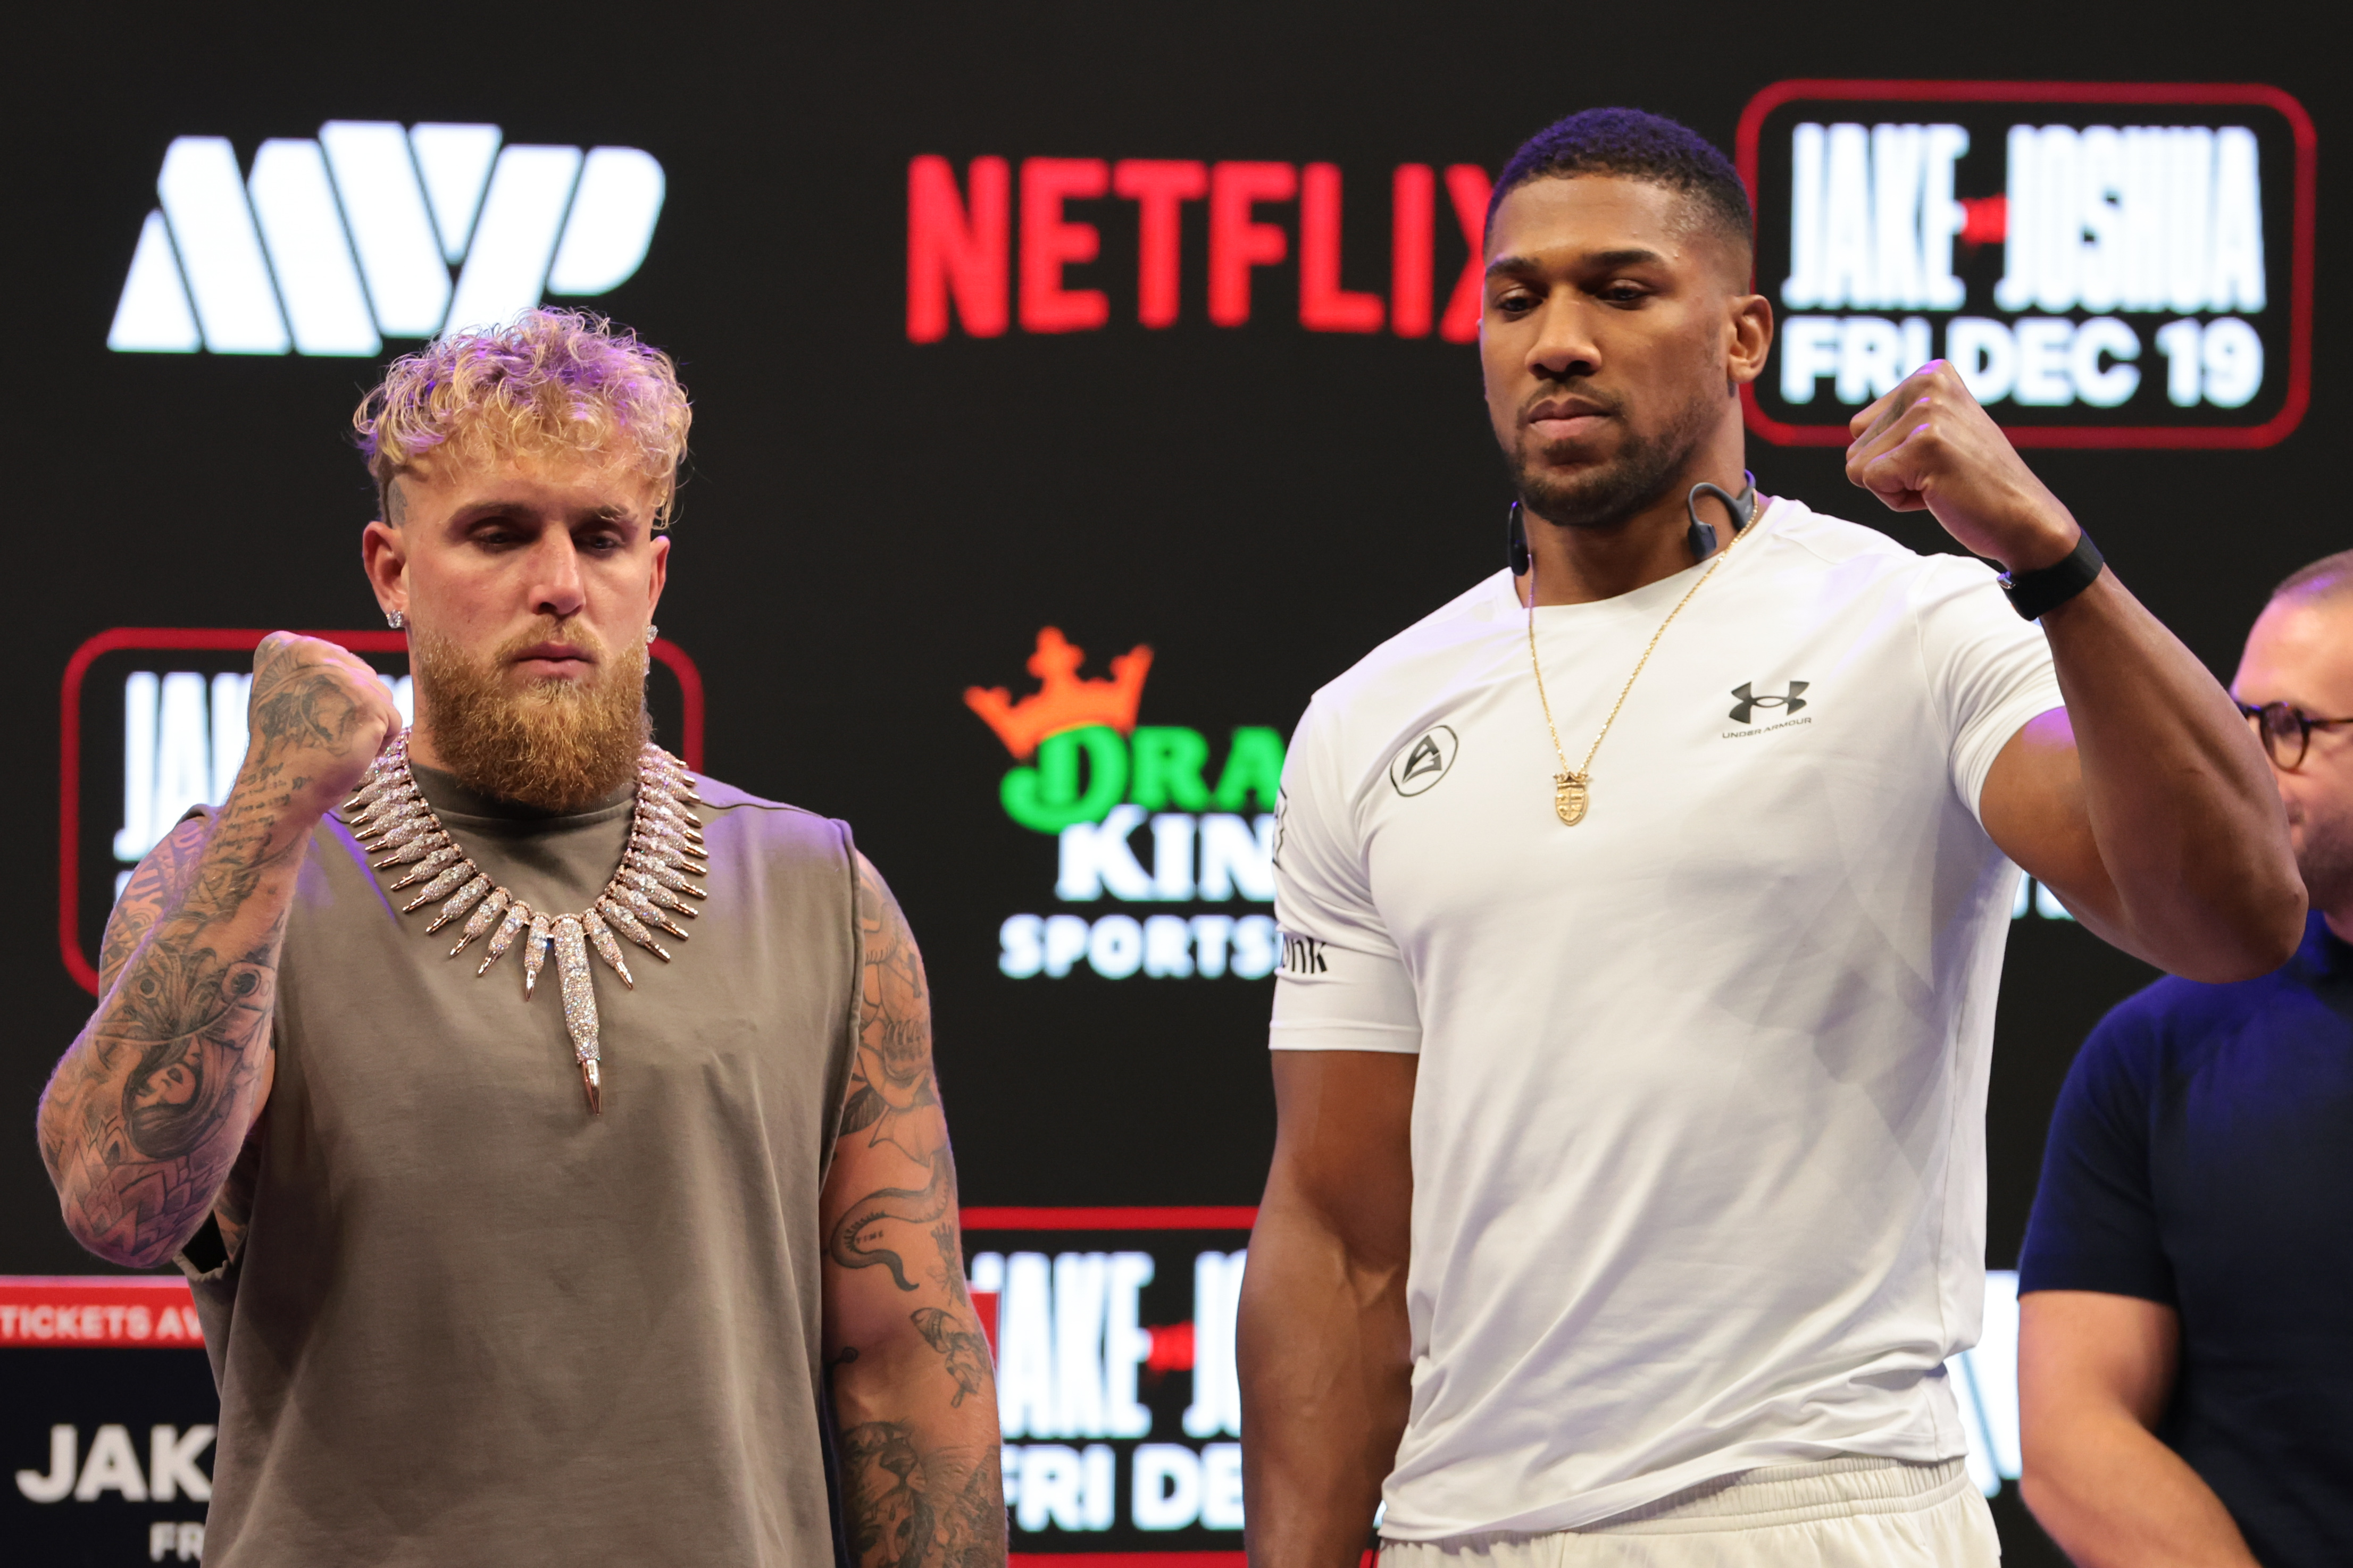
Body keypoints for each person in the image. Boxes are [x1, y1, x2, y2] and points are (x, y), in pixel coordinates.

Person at [1236, 108, 2304, 1568]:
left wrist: (2055, 559)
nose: (1556, 337)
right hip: (1464, 1528)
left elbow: (2234, 912)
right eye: (1516, 296)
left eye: (1620, 290)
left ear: (1743, 336)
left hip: (1811, 1505)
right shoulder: (1369, 716)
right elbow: (1342, 1234)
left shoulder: (1910, 624)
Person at [36, 310, 1005, 1568]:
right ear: (389, 570)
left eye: (601, 534)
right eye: (499, 530)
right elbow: (114, 1199)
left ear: (653, 577)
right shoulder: (236, 874)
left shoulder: (818, 892)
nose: (559, 580)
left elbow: (905, 1359)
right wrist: (276, 810)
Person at [2015, 550, 2353, 1568]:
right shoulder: (2159, 1049)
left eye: (2289, 729)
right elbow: (2072, 1438)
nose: (2246, 763)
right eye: (2236, 719)